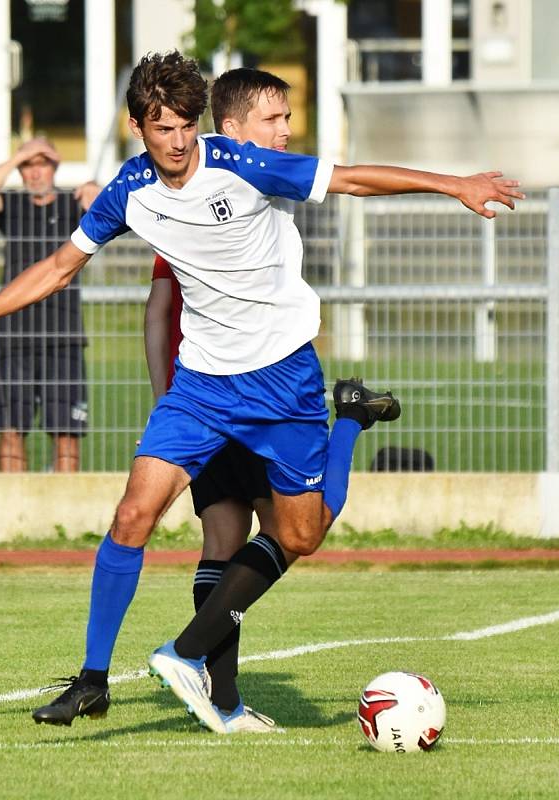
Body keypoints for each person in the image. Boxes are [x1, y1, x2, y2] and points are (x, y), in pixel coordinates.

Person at [0, 51, 523, 734]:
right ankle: (92, 679)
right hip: (200, 386)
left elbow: (349, 179)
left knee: (301, 535)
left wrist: (452, 183)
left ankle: (345, 421)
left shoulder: (240, 164)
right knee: (132, 516)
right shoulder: (128, 190)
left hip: (283, 379)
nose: (175, 141)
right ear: (137, 126)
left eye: (184, 127)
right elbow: (57, 267)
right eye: (161, 127)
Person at [141, 68, 393, 733]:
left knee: (258, 534)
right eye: (273, 119)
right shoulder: (182, 198)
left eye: (287, 118)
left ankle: (217, 699)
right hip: (221, 393)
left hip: (243, 390)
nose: (286, 130)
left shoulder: (239, 185)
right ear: (230, 129)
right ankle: (204, 681)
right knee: (265, 531)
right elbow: (158, 302)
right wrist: (170, 402)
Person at [0, 138, 100, 472]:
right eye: (29, 165)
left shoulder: (74, 204)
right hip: (15, 337)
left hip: (64, 337)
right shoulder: (12, 205)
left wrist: (95, 190)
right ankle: (11, 519)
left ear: (55, 166)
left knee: (66, 433)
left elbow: (116, 213)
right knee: (11, 432)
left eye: (42, 162)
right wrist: (18, 156)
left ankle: (64, 517)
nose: (35, 171)